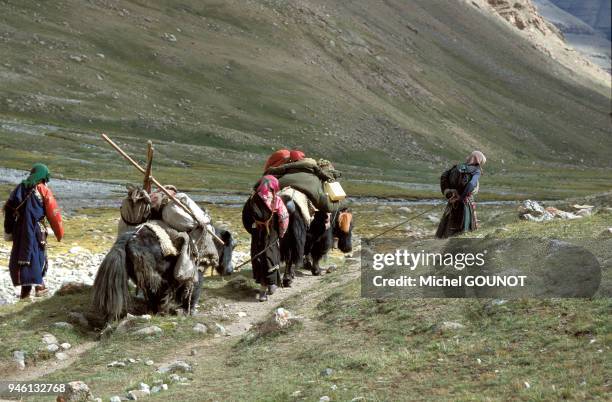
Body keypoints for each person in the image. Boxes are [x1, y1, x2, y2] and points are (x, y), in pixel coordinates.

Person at [3, 163, 64, 299]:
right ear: (43, 177)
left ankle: (29, 292)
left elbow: (8, 209)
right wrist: (59, 232)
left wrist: (9, 230)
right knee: (35, 258)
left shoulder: (19, 188)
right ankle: (38, 288)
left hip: (20, 230)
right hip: (36, 231)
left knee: (24, 258)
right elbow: (53, 213)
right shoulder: (43, 190)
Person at [242, 175, 289, 301]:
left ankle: (267, 286)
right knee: (271, 258)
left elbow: (245, 219)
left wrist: (252, 231)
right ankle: (267, 288)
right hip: (272, 234)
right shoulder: (276, 200)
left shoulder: (251, 199)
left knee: (259, 259)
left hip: (257, 235)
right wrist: (281, 233)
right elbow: (284, 218)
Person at [436, 151, 486, 239]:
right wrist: (461, 197)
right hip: (465, 202)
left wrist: (449, 193)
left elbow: (444, 176)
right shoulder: (476, 170)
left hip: (453, 201)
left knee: (449, 225)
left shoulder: (456, 167)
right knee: (465, 230)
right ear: (478, 160)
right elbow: (471, 184)